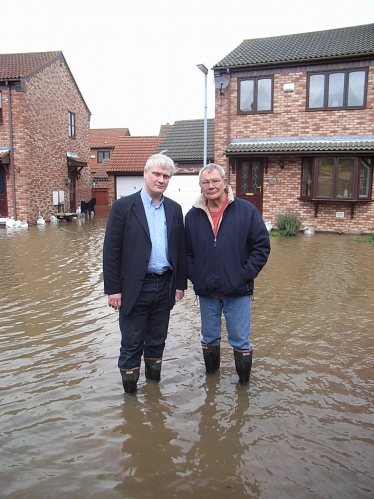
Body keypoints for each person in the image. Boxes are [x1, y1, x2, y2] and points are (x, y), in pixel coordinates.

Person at [103, 153, 187, 394]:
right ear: (145, 174)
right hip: (133, 288)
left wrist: (180, 284)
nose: (161, 180)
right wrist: (114, 289)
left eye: (166, 176)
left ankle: (153, 390)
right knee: (131, 344)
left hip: (165, 286)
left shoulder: (174, 209)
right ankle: (130, 397)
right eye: (157, 174)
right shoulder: (123, 207)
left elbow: (179, 249)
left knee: (157, 342)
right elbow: (111, 251)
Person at [185, 163, 270, 384]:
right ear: (201, 185)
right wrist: (197, 276)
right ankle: (211, 381)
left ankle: (243, 386)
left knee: (240, 340)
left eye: (215, 181)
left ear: (225, 183)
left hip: (238, 290)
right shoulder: (192, 216)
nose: (211, 186)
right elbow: (186, 252)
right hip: (207, 292)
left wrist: (244, 275)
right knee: (209, 338)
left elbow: (261, 246)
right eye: (206, 182)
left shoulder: (246, 210)